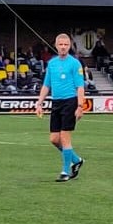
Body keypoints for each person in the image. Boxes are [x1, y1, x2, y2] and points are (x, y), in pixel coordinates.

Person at [35, 32, 88, 181]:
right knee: (54, 139)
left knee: (65, 137)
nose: (63, 47)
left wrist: (80, 106)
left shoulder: (75, 63)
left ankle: (65, 172)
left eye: (66, 45)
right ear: (56, 46)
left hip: (70, 102)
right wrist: (39, 103)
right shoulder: (52, 63)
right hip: (56, 103)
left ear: (69, 46)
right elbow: (47, 84)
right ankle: (76, 160)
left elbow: (80, 87)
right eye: (61, 45)